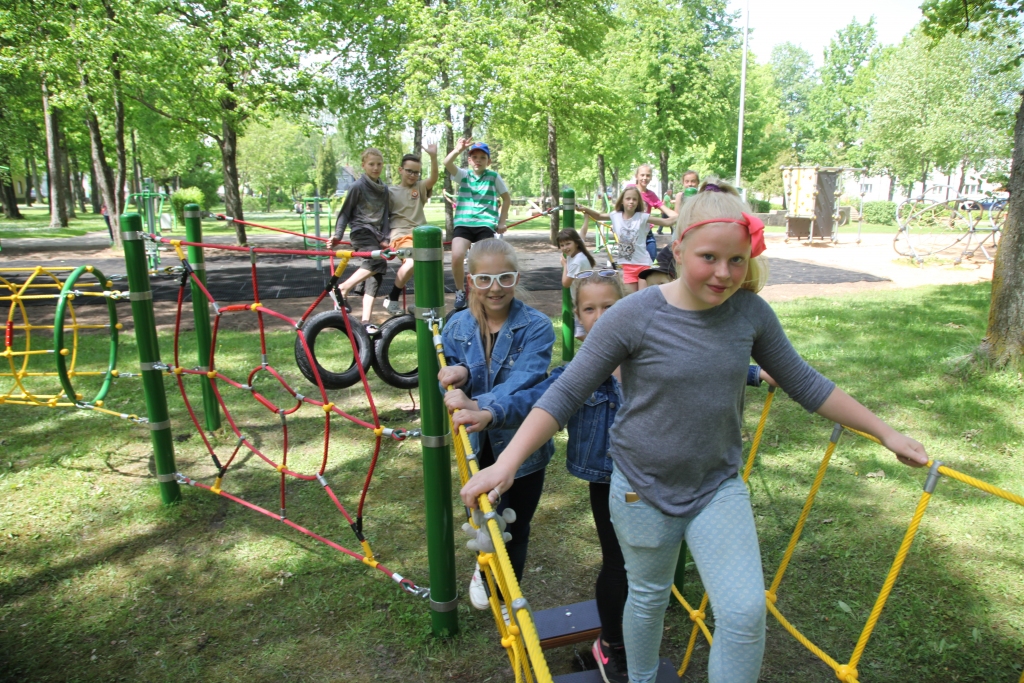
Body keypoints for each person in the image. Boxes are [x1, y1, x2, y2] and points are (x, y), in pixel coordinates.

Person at [459, 178, 930, 683]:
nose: (724, 274)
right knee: (647, 598)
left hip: (717, 486)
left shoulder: (749, 313)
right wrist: (506, 464)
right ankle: (638, 679)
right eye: (710, 257)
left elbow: (807, 384)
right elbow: (565, 392)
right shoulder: (633, 315)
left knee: (746, 613)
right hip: (641, 487)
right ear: (678, 248)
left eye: (737, 260)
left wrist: (886, 433)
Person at [451, 270, 773, 683]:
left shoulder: (651, 348)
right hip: (610, 480)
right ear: (579, 319)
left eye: (610, 306)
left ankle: (628, 637)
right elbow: (543, 397)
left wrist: (754, 372)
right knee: (619, 564)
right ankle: (612, 644)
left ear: (628, 308)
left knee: (647, 566)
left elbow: (700, 368)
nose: (601, 316)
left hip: (665, 480)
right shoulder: (588, 369)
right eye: (590, 308)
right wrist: (488, 409)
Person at [436, 238, 556, 610]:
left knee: (515, 525)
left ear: (517, 277)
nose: (495, 288)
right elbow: (457, 371)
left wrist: (478, 405)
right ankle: (484, 568)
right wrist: (461, 372)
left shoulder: (536, 327)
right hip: (473, 447)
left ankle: (507, 597)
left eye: (505, 277)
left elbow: (524, 382)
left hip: (521, 446)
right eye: (484, 279)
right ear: (470, 280)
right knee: (482, 521)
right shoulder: (456, 326)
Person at [443, 138, 512, 311]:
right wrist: (458, 149)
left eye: (482, 157)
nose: (478, 160)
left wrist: (501, 222)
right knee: (457, 255)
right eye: (474, 157)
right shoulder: (463, 175)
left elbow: (506, 198)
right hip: (464, 223)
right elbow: (447, 162)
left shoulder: (493, 177)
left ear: (488, 161)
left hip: (485, 224)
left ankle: (481, 291)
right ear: (469, 160)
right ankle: (460, 292)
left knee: (482, 260)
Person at [330, 148, 391, 333]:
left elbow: (386, 216)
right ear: (363, 165)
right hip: (360, 231)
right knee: (377, 261)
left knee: (377, 275)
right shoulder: (358, 186)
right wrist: (338, 236)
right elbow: (345, 213)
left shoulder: (384, 189)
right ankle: (341, 288)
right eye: (371, 164)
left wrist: (386, 238)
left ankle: (365, 321)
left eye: (379, 164)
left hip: (376, 234)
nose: (375, 168)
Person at [577, 187, 675, 293]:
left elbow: (666, 222)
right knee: (630, 299)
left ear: (638, 203)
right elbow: (598, 215)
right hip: (627, 266)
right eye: (628, 199)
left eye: (634, 199)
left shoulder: (642, 217)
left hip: (643, 264)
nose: (631, 201)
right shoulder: (616, 216)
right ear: (622, 201)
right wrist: (585, 209)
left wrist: (685, 214)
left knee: (642, 297)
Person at [385, 144, 439, 315]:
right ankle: (392, 298)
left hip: (421, 235)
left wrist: (433, 157)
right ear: (401, 170)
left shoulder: (420, 188)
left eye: (416, 172)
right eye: (409, 171)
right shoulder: (390, 192)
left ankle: (419, 303)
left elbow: (434, 178)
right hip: (401, 235)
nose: (413, 175)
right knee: (411, 262)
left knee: (427, 268)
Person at [627, 165, 677, 257]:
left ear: (651, 177)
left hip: (647, 233)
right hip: (631, 234)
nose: (645, 178)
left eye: (648, 175)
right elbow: (621, 208)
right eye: (642, 175)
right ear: (636, 176)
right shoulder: (630, 189)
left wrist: (683, 215)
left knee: (652, 262)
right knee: (632, 264)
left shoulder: (651, 195)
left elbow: (667, 211)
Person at [557, 228, 596, 339]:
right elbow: (583, 233)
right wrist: (586, 217)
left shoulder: (577, 262)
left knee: (581, 333)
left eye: (568, 244)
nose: (565, 248)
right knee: (583, 332)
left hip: (586, 299)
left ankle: (597, 348)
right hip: (584, 298)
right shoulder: (577, 252)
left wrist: (565, 266)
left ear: (576, 243)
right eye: (562, 245)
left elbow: (566, 283)